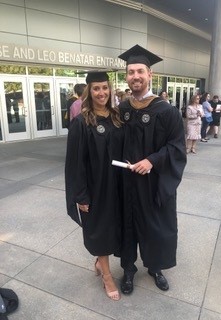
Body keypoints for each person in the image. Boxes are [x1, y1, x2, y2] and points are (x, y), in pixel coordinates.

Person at [117, 44, 187, 294]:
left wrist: (152, 161)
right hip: (126, 182)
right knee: (127, 225)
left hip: (153, 183)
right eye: (131, 72)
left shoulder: (166, 111)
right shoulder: (122, 110)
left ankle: (155, 267)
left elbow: (177, 148)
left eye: (140, 71)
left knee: (156, 226)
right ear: (126, 76)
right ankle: (128, 269)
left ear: (150, 75)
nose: (135, 76)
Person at [65, 71, 123, 301]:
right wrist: (81, 195)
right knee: (100, 231)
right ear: (89, 92)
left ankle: (100, 263)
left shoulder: (117, 117)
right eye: (96, 88)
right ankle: (107, 276)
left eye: (105, 88)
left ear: (110, 90)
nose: (102, 93)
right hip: (95, 187)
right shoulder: (82, 122)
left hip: (117, 184)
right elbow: (74, 163)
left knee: (114, 228)